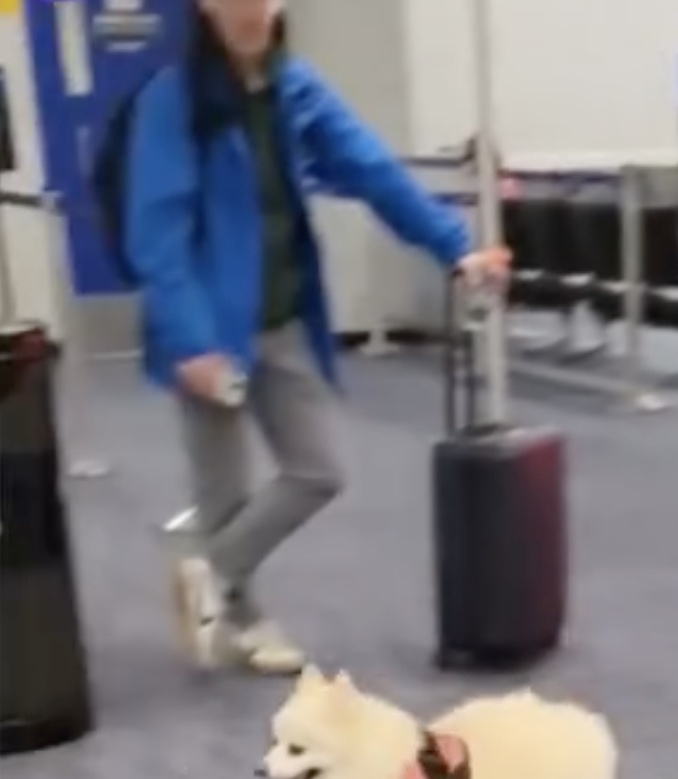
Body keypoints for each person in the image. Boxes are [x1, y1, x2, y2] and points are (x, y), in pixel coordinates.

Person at [125, 0, 510, 675]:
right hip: (207, 334)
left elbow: (374, 172)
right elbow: (156, 234)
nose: (248, 10)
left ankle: (206, 572)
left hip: (281, 321)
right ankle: (242, 619)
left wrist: (455, 249)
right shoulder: (174, 102)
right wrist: (190, 344)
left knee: (317, 469)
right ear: (204, 7)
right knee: (224, 496)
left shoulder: (296, 88)